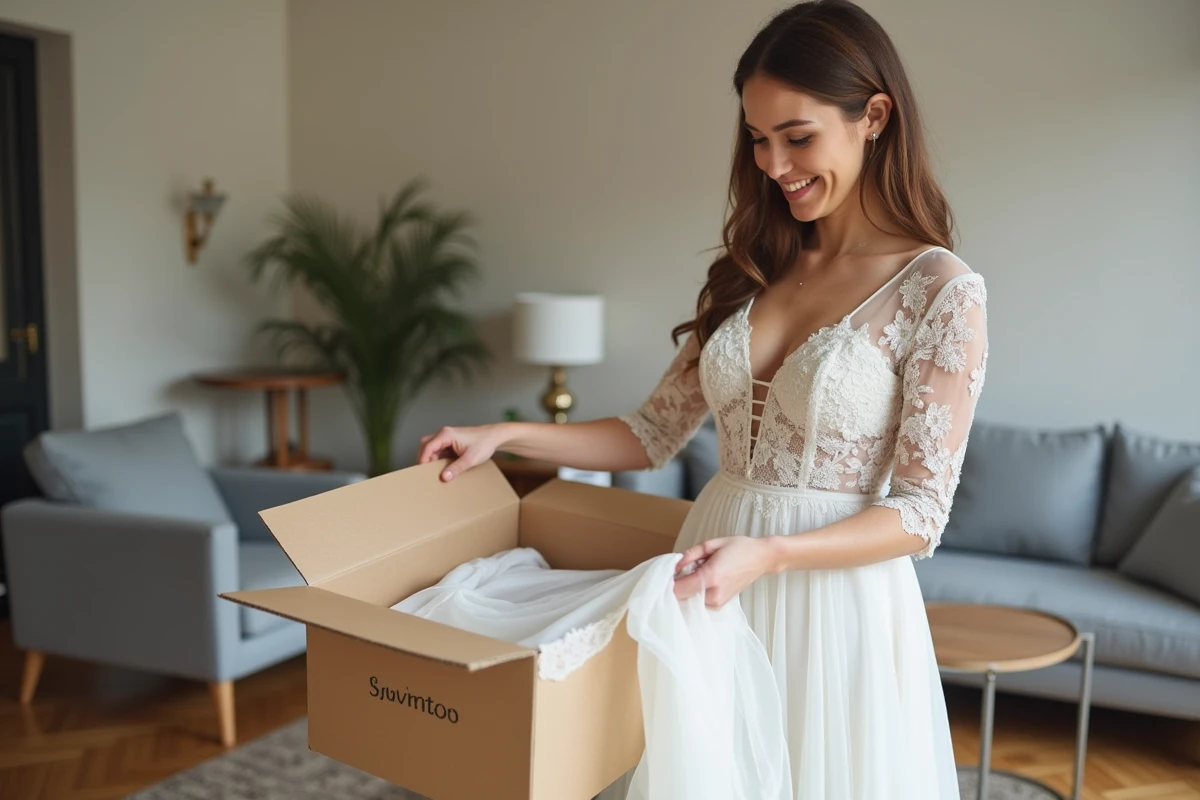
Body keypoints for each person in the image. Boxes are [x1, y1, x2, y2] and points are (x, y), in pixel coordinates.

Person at [418, 1, 986, 796]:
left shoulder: (939, 292)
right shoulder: (749, 270)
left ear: (874, 117)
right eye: (757, 138)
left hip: (831, 603)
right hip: (712, 567)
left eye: (797, 136)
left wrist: (775, 552)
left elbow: (922, 512)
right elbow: (650, 433)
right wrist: (502, 434)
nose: (773, 163)